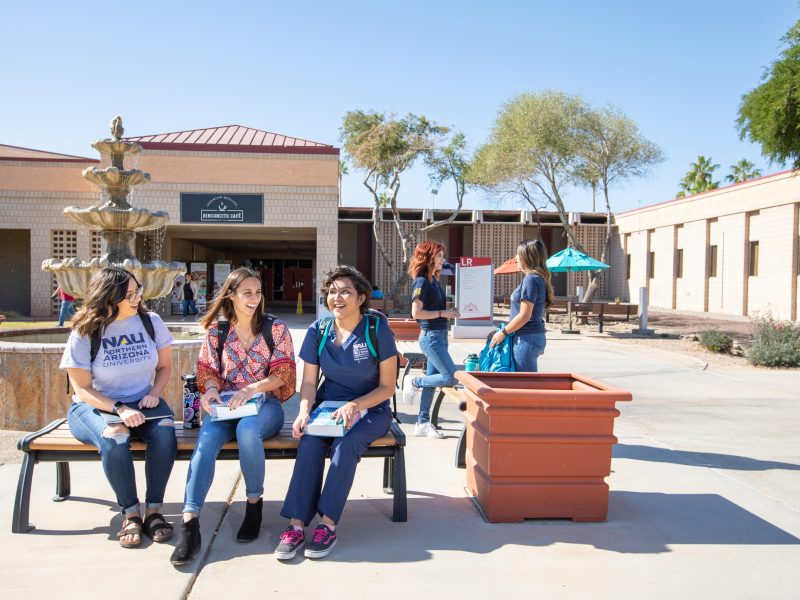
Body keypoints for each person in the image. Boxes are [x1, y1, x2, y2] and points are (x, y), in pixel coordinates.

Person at [170, 267, 296, 566]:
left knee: (248, 429)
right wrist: (211, 391)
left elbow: (284, 373)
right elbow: (208, 371)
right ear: (232, 295)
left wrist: (253, 388)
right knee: (206, 440)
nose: (255, 298)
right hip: (226, 407)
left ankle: (254, 504)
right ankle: (190, 524)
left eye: (258, 292)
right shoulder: (218, 331)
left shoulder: (275, 328)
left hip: (265, 406)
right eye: (247, 293)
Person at [273, 265, 397, 561]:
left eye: (345, 292)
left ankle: (327, 525)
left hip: (371, 408)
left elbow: (387, 387)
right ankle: (296, 526)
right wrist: (304, 412)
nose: (337, 298)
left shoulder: (375, 328)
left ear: (361, 297)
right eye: (331, 292)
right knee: (310, 444)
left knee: (346, 445)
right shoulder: (320, 330)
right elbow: (308, 383)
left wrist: (356, 405)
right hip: (328, 409)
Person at [60, 267, 177, 548]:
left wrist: (154, 393)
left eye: (138, 291)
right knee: (115, 436)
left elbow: (165, 367)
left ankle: (154, 511)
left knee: (164, 431)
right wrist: (120, 409)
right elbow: (82, 389)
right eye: (129, 294)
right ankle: (131, 513)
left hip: (142, 403)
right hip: (94, 406)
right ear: (109, 298)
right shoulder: (86, 331)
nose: (137, 298)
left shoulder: (151, 322)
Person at [402, 241, 459, 438]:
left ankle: (422, 422)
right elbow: (416, 312)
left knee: (433, 381)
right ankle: (414, 381)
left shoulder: (433, 280)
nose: (443, 259)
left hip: (440, 335)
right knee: (451, 377)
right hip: (431, 338)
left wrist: (449, 313)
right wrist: (443, 312)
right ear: (429, 258)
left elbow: (435, 310)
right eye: (440, 256)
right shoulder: (421, 282)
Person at [488, 239, 554, 371]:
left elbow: (524, 316)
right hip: (532, 337)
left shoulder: (531, 279)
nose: (516, 257)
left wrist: (503, 332)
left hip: (526, 338)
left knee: (525, 385)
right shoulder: (539, 278)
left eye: (518, 254)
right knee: (524, 384)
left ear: (527, 257)